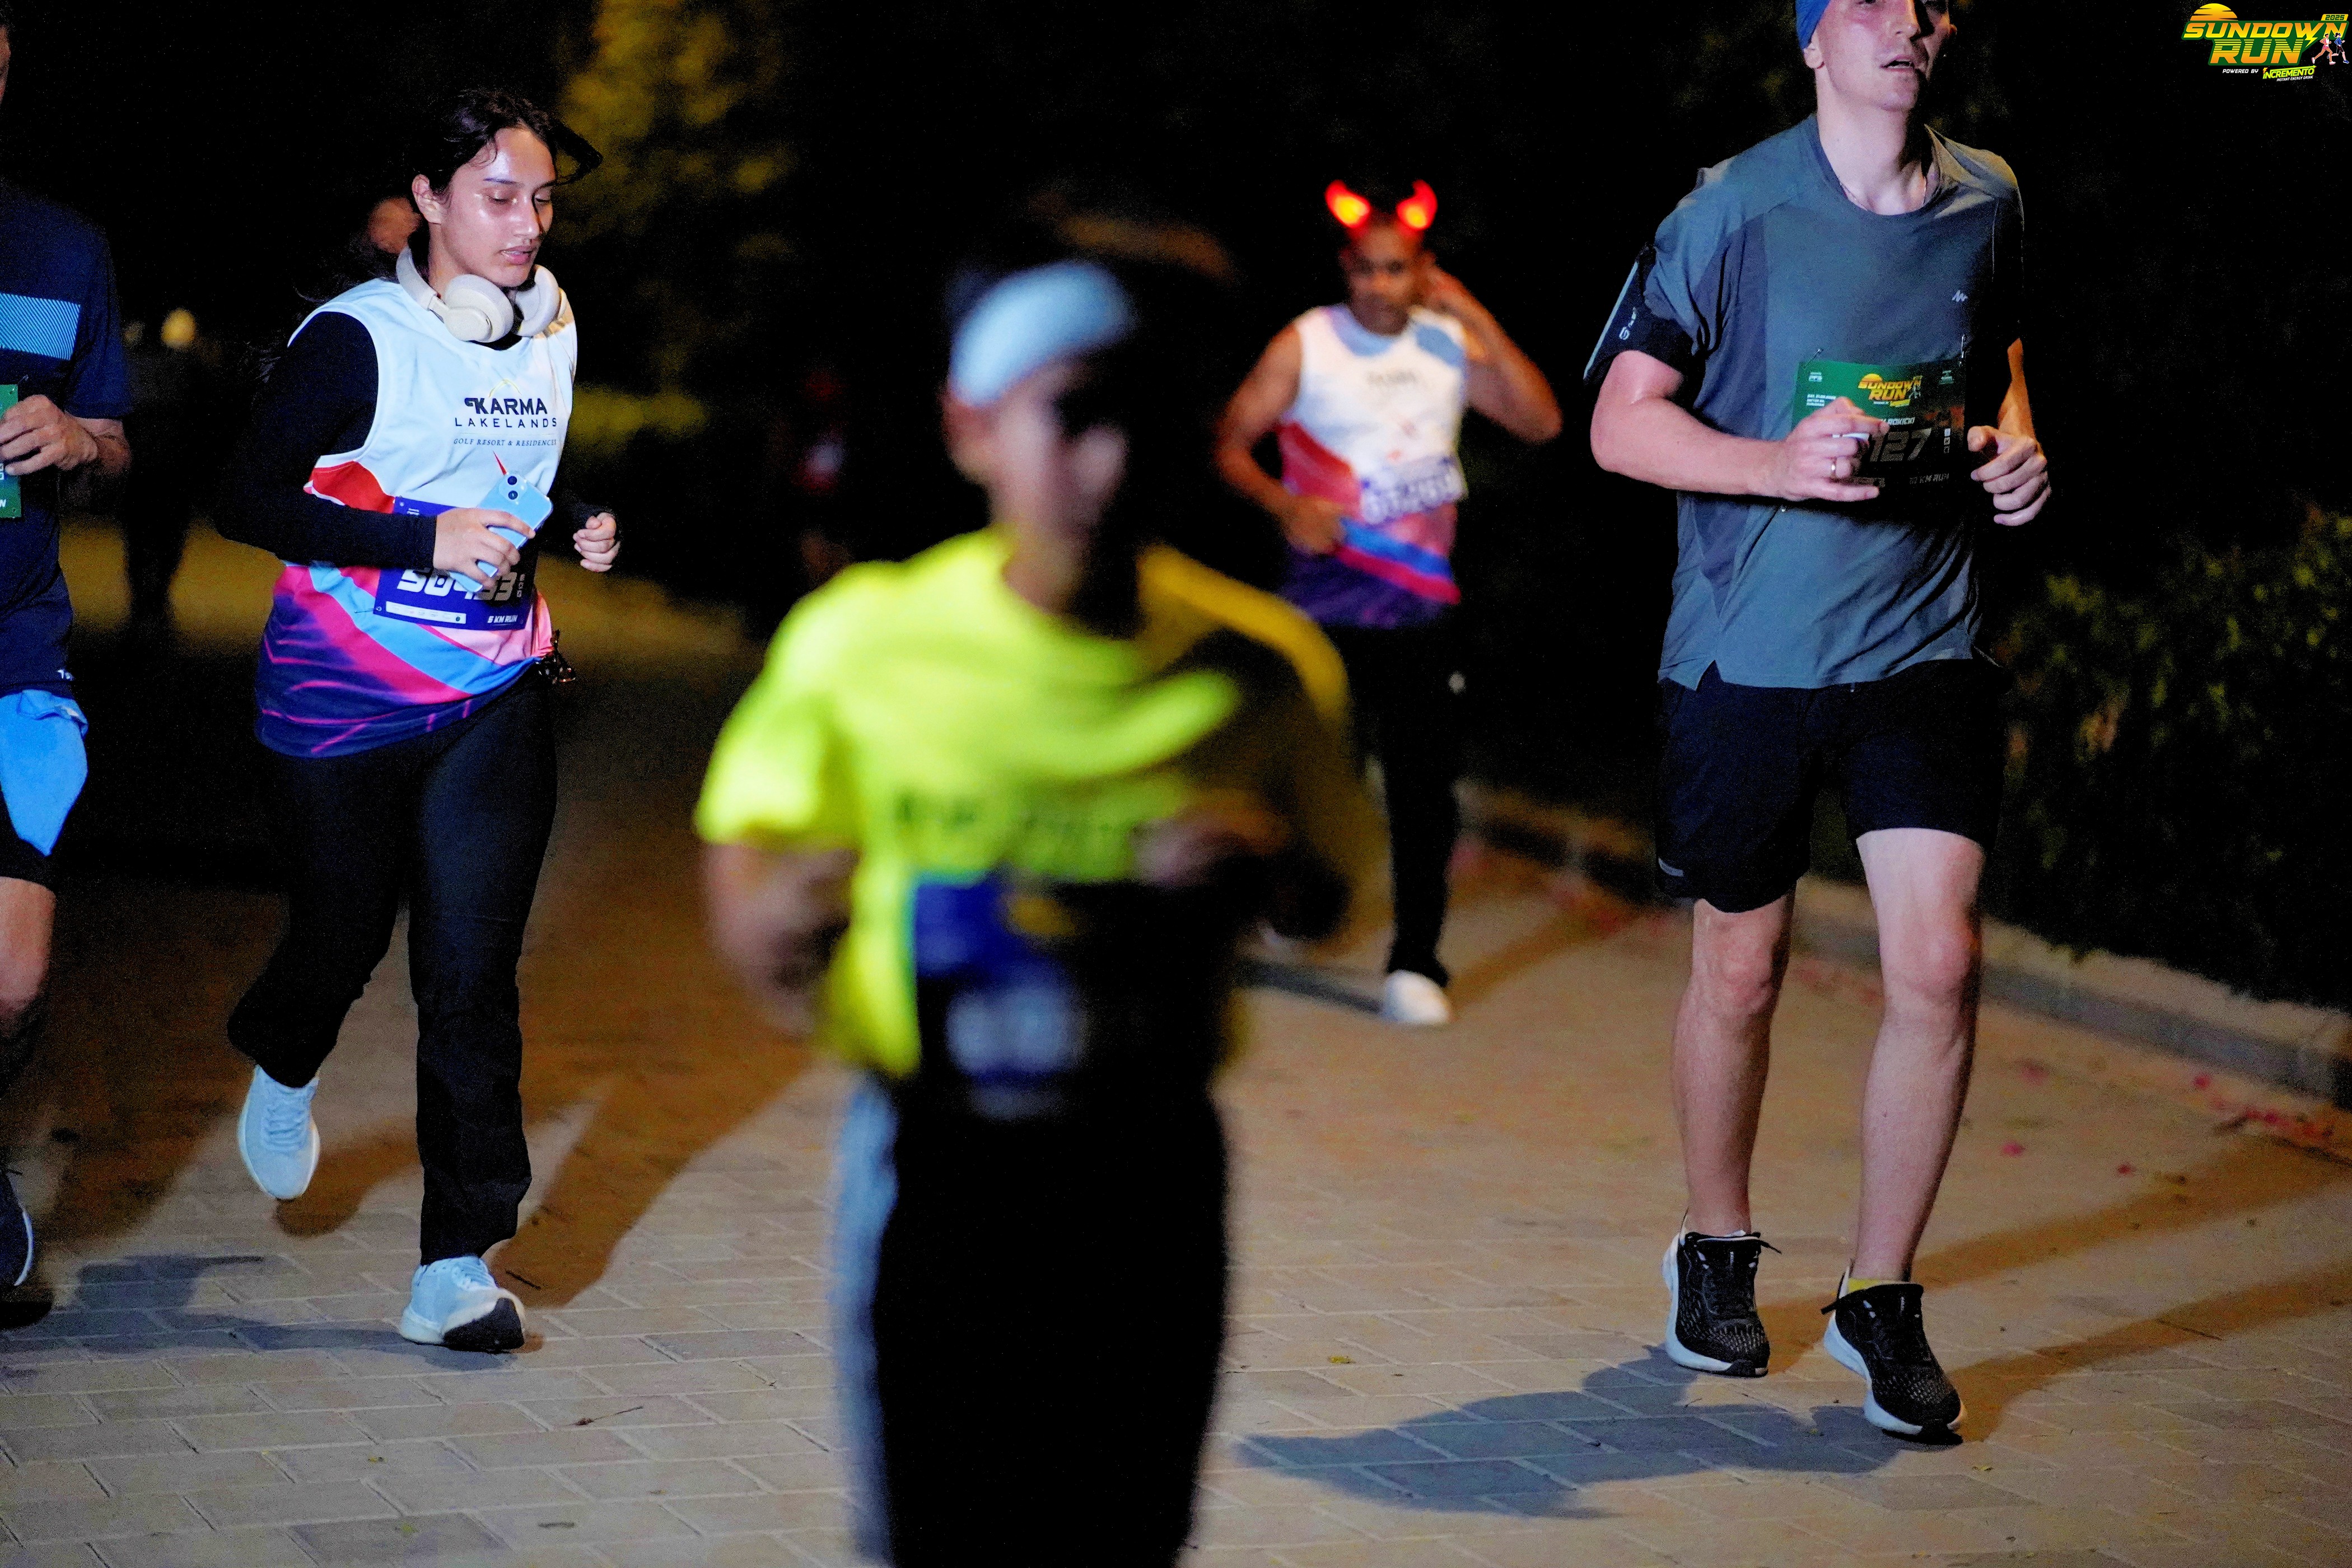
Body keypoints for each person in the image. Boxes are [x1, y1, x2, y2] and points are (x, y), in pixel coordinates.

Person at [699, 230, 1377, 1565]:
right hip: (939, 1165)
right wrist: (774, 925)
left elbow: (1332, 896)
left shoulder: (1263, 666)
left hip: (1150, 1173)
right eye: (1073, 416)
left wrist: (1268, 874)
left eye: (1152, 422)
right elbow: (749, 841)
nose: (1113, 464)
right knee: (940, 1529)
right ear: (973, 428)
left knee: (1129, 1530)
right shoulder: (867, 645)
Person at [1587, 0, 2050, 1438]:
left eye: (1927, 2)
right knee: (1743, 968)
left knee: (1941, 959)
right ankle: (1716, 1246)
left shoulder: (1988, 197)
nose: (1908, 22)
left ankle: (1881, 1292)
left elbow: (1998, 355)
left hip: (1925, 639)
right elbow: (1618, 422)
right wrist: (1775, 465)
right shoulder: (1730, 211)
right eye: (1871, 0)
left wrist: (2021, 445)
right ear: (1812, 40)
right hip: (1751, 651)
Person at [215, 88, 620, 1353]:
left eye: (541, 199)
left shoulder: (550, 321)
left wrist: (575, 518)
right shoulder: (357, 339)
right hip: (341, 696)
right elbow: (245, 499)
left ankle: (457, 1265)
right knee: (340, 934)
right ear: (431, 199)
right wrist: (418, 540)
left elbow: (518, 471)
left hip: (495, 684)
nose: (527, 222)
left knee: (470, 974)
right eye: (498, 195)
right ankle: (286, 1049)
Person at [1215, 178, 1560, 1026]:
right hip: (1320, 609)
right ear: (1346, 270)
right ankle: (1290, 906)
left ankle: (1416, 962)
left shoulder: (1448, 345)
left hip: (1418, 607)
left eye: (1395, 269)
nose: (1378, 284)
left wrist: (1474, 315)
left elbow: (1541, 422)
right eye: (1365, 269)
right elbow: (1227, 442)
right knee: (1306, 781)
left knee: (1422, 788)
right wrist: (1285, 504)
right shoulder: (1306, 344)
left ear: (1422, 271)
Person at [0, 0, 133, 1287]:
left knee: (15, 976)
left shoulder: (63, 246)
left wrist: (80, 436)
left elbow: (117, 438)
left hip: (15, 645)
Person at [119, 308, 214, 647]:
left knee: (157, 535)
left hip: (166, 464)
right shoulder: (136, 363)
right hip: (152, 464)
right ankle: (146, 602)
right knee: (149, 535)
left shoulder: (178, 364)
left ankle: (152, 600)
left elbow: (201, 416)